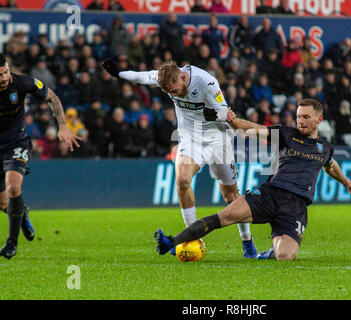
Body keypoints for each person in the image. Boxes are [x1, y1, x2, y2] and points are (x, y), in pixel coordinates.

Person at [154, 99, 351, 260]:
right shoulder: (286, 134)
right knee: (224, 217)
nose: (301, 121)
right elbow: (255, 129)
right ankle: (173, 242)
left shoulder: (325, 147)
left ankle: (271, 251)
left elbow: (330, 165)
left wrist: (346, 182)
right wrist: (232, 121)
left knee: (285, 256)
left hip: (295, 207)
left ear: (319, 119)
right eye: (299, 116)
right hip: (270, 194)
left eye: (306, 117)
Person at [102, 58, 257, 257]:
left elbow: (226, 113)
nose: (174, 95)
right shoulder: (166, 79)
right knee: (182, 180)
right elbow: (141, 76)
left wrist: (214, 114)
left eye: (175, 91)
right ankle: (192, 239)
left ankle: (247, 243)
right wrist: (119, 74)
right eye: (169, 93)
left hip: (218, 140)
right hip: (191, 139)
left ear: (183, 77)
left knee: (231, 197)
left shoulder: (206, 82)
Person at [0, 54, 81, 259]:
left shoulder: (22, 83)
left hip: (15, 143)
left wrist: (62, 125)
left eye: (5, 72)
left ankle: (11, 243)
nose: (4, 77)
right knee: (4, 203)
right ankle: (23, 213)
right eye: (0, 75)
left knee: (13, 187)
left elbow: (52, 97)